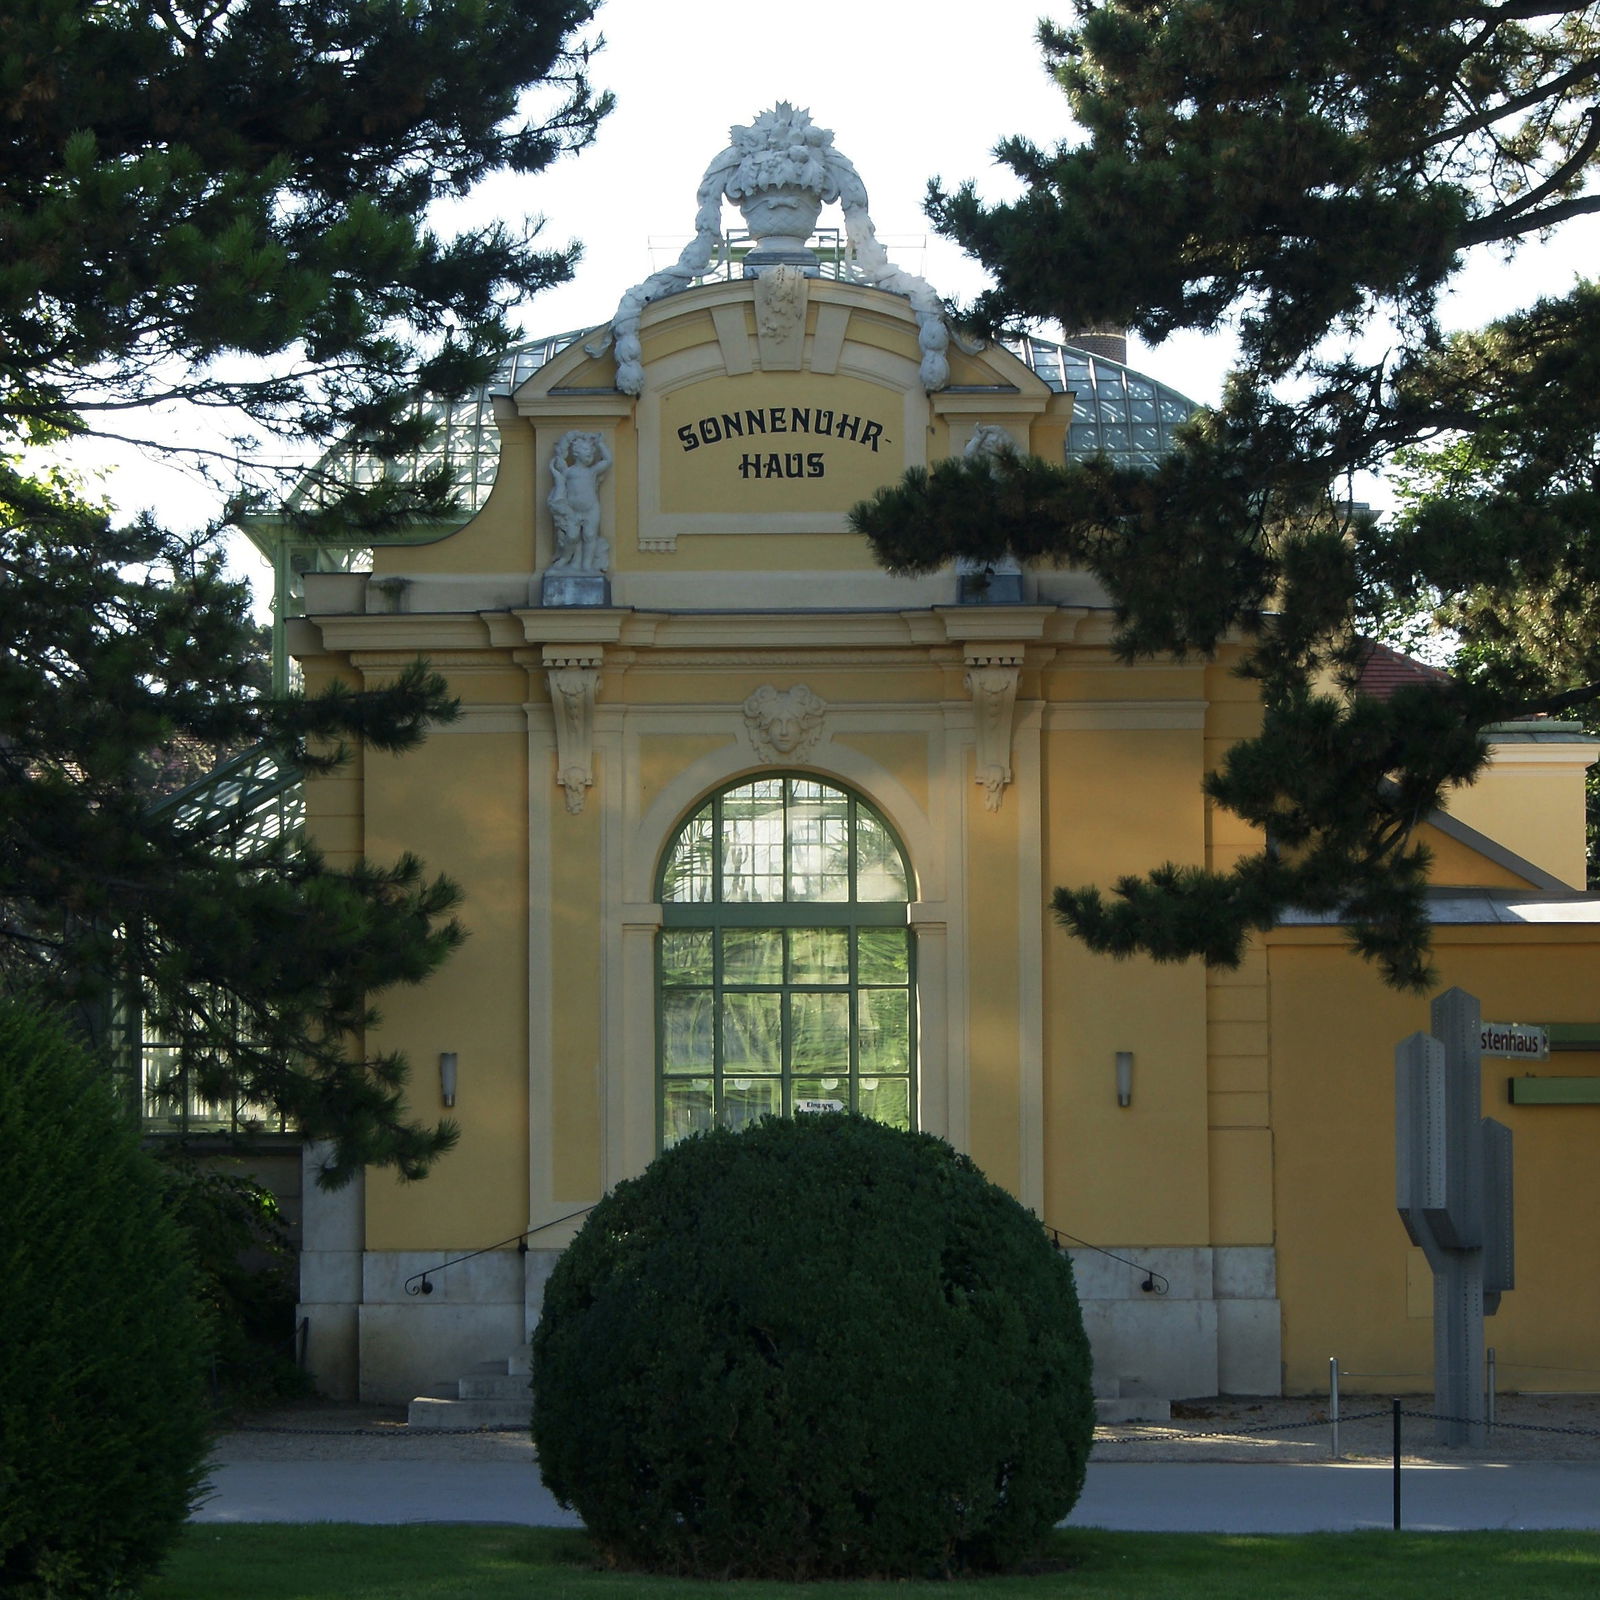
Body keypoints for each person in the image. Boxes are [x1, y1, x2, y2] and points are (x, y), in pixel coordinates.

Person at [548, 430, 612, 571]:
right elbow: (560, 484)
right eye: (585, 449)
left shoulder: (592, 471)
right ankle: (567, 559)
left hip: (591, 509)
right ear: (576, 452)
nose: (589, 453)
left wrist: (600, 444)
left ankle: (587, 565)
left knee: (589, 536)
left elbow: (608, 461)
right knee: (572, 537)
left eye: (591, 450)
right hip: (572, 510)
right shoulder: (569, 471)